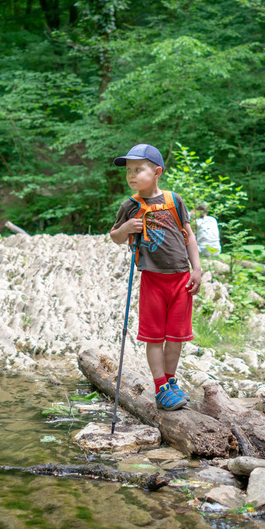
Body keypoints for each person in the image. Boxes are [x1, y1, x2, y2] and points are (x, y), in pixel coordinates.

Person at [108, 143, 202, 411]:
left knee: (175, 337)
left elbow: (189, 236)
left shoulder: (174, 200)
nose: (131, 176)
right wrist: (126, 228)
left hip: (181, 278)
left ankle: (171, 382)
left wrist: (197, 269)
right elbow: (115, 237)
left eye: (138, 169)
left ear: (157, 171)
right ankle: (160, 386)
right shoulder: (130, 206)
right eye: (128, 171)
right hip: (152, 279)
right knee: (154, 337)